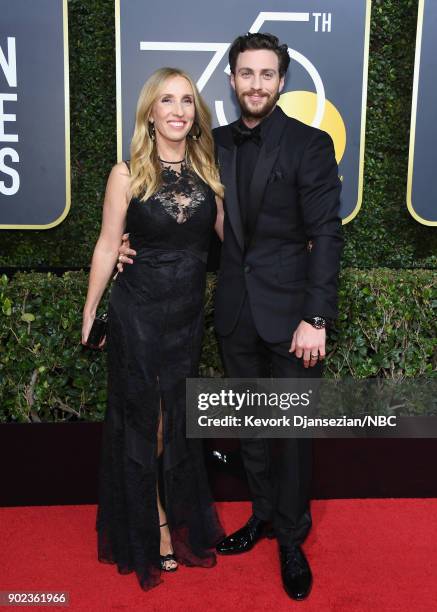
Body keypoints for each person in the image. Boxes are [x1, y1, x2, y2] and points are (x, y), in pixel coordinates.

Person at [118, 33, 343, 600]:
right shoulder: (210, 145)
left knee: (291, 433)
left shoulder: (309, 144)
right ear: (233, 80)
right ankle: (263, 515)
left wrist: (316, 316)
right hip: (236, 313)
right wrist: (129, 243)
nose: (257, 84)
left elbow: (326, 234)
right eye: (247, 74)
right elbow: (174, 210)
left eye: (268, 74)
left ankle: (292, 538)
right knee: (255, 430)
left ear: (282, 81)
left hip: (293, 316)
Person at [82, 67, 225, 591]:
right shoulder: (127, 174)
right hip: (137, 313)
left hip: (185, 319)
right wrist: (90, 307)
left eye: (187, 101)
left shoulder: (209, 169)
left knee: (174, 423)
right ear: (149, 112)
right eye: (167, 100)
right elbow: (106, 243)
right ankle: (157, 523)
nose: (178, 110)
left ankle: (165, 511)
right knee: (149, 421)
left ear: (195, 112)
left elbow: (234, 239)